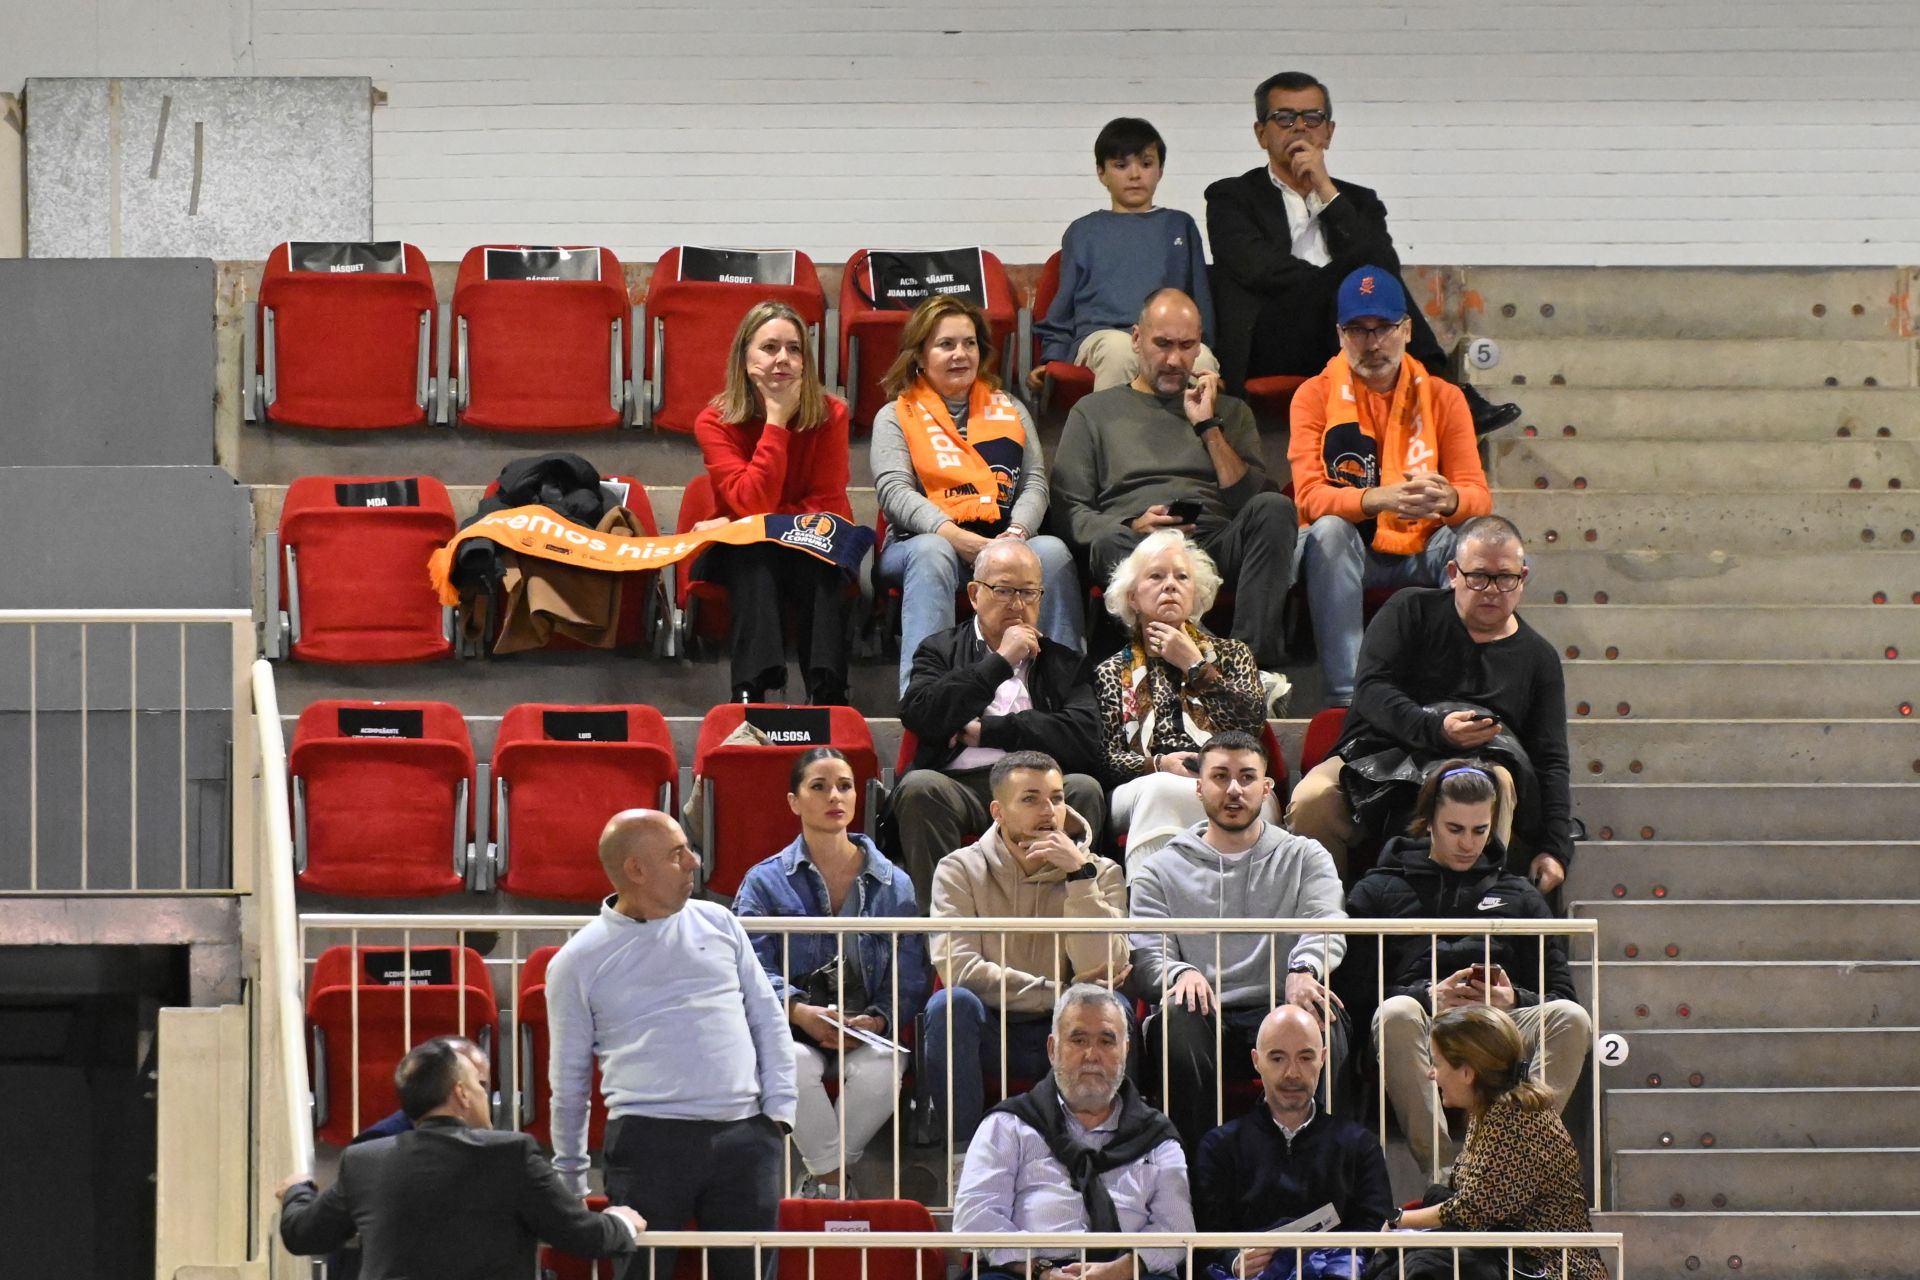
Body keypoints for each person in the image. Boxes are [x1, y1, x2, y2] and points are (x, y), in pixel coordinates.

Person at [546, 810, 796, 1280]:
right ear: (636, 870)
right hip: (648, 1143)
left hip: (746, 1135)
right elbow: (569, 1081)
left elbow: (767, 1018)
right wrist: (571, 1179)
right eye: (677, 854)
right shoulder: (576, 962)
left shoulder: (721, 921)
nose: (694, 863)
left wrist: (778, 1115)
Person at [1204, 71, 1519, 434]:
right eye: (1285, 118)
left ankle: (1436, 388)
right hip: (1275, 337)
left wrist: (1324, 188)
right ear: (1262, 133)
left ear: (1329, 132)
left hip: (1351, 331)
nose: (1300, 128)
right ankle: (1446, 391)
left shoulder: (1358, 201)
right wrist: (1340, 282)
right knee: (1365, 275)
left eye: (1312, 118)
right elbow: (1256, 268)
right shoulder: (1230, 197)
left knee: (1375, 280)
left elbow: (1384, 266)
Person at [1286, 515, 1573, 891]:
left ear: (1523, 578)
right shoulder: (1409, 610)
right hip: (1378, 755)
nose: (1490, 589)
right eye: (1478, 576)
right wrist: (1436, 729)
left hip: (1481, 768)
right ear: (1453, 572)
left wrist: (1554, 848)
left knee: (1496, 783)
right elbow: (1371, 690)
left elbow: (1550, 757)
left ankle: (1465, 934)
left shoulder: (1539, 657)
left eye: (1504, 578)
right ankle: (1333, 929)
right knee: (1311, 800)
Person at [1342, 760, 1590, 1176]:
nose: (1468, 844)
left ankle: (1503, 1173)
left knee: (1571, 1018)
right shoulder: (1378, 889)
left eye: (1480, 830)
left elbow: (1563, 993)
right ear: (1428, 823)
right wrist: (1427, 995)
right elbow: (1353, 995)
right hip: (1421, 1018)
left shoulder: (1520, 896)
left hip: (1501, 1023)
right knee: (1396, 1012)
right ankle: (1447, 1179)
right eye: (1455, 829)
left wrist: (1514, 999)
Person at [1052, 289, 1298, 682]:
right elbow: (1069, 510)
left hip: (1213, 544)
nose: (1173, 359)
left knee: (1276, 508)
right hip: (1134, 548)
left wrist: (1208, 427)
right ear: (1136, 339)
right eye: (1162, 344)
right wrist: (1133, 525)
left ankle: (1247, 669)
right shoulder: (1093, 411)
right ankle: (1166, 666)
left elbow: (1250, 499)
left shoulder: (1229, 411)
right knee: (1109, 543)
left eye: (1186, 346)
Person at [1128, 731, 1349, 1154]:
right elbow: (1148, 951)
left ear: (1267, 788)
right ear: (1199, 787)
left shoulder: (1306, 856)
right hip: (1205, 1013)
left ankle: (1324, 1169)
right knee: (1177, 1018)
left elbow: (1326, 920)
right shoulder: (1158, 869)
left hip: (1279, 1007)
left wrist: (1304, 969)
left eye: (1247, 777)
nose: (1233, 789)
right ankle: (1195, 1174)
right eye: (1220, 776)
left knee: (1322, 1014)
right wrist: (1180, 972)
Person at [733, 747, 931, 1199]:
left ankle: (822, 1183)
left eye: (843, 786)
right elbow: (749, 965)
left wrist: (879, 1019)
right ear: (793, 801)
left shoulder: (893, 882)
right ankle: (836, 1182)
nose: (834, 796)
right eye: (818, 787)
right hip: (793, 1028)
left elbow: (910, 969)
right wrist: (800, 1012)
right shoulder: (764, 881)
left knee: (885, 1064)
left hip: (867, 1029)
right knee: (791, 1064)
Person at [1289, 266, 1492, 707]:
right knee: (1327, 531)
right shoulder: (1313, 395)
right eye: (1358, 330)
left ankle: (1454, 695)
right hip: (1352, 549)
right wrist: (1379, 497)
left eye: (1384, 328)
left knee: (1480, 546)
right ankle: (1350, 700)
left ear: (1407, 330)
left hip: (1423, 541)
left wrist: (1449, 498)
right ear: (1340, 335)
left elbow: (1477, 495)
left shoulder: (1444, 397)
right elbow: (1308, 499)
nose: (1373, 342)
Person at [278, 1036, 643, 1280]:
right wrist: (622, 1222)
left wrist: (299, 1190)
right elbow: (582, 1235)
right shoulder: (510, 1153)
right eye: (480, 1087)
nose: (487, 1095)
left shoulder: (363, 1160)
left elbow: (302, 1234)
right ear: (461, 1094)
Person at [923, 751, 1128, 1181]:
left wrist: (1079, 877)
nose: (1049, 811)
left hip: (1069, 1034)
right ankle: (961, 1163)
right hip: (991, 1030)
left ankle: (1111, 1155)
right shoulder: (958, 870)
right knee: (950, 1005)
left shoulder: (1100, 871)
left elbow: (1108, 967)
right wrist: (1064, 993)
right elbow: (960, 968)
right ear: (998, 811)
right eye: (1031, 799)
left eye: (1056, 798)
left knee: (1118, 1009)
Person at [872, 293, 1084, 694]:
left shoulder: (1011, 409)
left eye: (969, 343)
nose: (960, 354)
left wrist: (1017, 536)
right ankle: (924, 697)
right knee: (932, 552)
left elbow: (1034, 482)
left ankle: (1062, 694)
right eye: (946, 344)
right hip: (921, 544)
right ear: (919, 354)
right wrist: (955, 536)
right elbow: (894, 493)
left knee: (1052, 551)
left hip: (1004, 538)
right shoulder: (895, 415)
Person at [892, 538, 1106, 903]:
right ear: (975, 594)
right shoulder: (939, 649)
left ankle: (1061, 921)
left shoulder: (1064, 662)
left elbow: (1085, 738)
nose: (1018, 605)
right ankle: (942, 937)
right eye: (1004, 590)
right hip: (959, 784)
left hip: (1039, 785)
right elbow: (921, 713)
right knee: (920, 788)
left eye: (1029, 593)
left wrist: (987, 731)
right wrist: (1000, 662)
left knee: (1084, 788)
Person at [953, 984, 1193, 1280]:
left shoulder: (1157, 1138)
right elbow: (976, 1219)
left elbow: (1177, 1228)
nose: (1092, 1055)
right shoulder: (1007, 1125)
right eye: (1078, 1040)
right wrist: (1042, 1271)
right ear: (1053, 1049)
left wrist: (1123, 1269)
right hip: (1028, 1273)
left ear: (1126, 1050)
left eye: (1107, 1041)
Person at [692, 301, 857, 705]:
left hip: (810, 540)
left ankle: (828, 694)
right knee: (754, 558)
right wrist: (776, 421)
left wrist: (738, 523)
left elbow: (826, 505)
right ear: (744, 356)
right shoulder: (715, 422)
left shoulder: (831, 414)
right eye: (769, 347)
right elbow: (751, 501)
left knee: (819, 560)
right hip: (742, 550)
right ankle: (751, 693)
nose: (783, 358)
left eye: (794, 349)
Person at [1389, 1006, 1607, 1280]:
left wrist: (1398, 1220)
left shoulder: (1514, 1117)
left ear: (1467, 1073)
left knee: (1429, 1263)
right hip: (1512, 1252)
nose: (1432, 1074)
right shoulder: (1489, 1110)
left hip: (1549, 1266)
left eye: (1437, 1063)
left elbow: (1472, 1211)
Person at [1093, 533, 1274, 856]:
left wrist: (1194, 665)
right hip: (1146, 783)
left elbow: (1251, 726)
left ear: (1195, 592)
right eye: (1156, 576)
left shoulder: (1233, 654)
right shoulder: (1110, 671)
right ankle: (1154, 900)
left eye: (1181, 576)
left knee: (1242, 791)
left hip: (1227, 776)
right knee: (1161, 791)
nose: (1170, 585)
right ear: (1133, 597)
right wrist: (1158, 764)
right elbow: (1105, 760)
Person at [1192, 1005, 1393, 1271]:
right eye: (1277, 1058)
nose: (1292, 1073)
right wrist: (1234, 1261)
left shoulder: (1361, 1145)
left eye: (1305, 1057)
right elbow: (1206, 1240)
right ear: (1256, 1060)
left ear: (1322, 1058)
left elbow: (1375, 1234)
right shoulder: (1218, 1147)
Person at [1030, 116, 1219, 392]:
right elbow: (1063, 304)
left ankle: (1188, 435)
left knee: (1201, 358)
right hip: (1101, 337)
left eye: (1145, 164)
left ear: (1160, 170)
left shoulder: (1180, 225)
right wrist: (1053, 357)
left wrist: (1205, 344)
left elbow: (1198, 297)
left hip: (1170, 337)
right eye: (1121, 165)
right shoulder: (1083, 231)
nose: (1134, 175)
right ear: (1101, 173)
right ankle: (1113, 435)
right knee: (1119, 351)